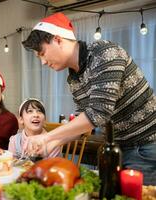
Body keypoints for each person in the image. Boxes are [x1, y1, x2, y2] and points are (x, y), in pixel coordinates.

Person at [22, 12, 156, 185]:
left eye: (42, 53)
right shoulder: (73, 78)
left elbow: (98, 114)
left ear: (57, 39)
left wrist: (46, 137)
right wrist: (53, 144)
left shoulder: (105, 53)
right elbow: (83, 125)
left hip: (146, 146)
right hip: (117, 147)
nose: (43, 62)